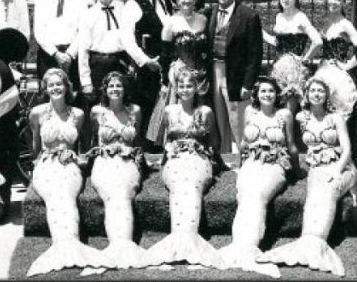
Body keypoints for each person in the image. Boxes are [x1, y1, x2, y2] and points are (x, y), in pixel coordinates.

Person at [260, 76, 355, 276]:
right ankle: (307, 241)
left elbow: (347, 150)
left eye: (321, 91)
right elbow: (288, 141)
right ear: (307, 94)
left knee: (329, 191)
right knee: (313, 198)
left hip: (340, 167)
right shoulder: (301, 118)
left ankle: (318, 243)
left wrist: (337, 172)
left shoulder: (336, 118)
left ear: (327, 95)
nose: (316, 94)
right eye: (313, 90)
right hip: (316, 168)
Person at [145, 69, 224, 269]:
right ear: (177, 88)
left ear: (197, 88)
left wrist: (219, 163)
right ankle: (177, 239)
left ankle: (190, 238)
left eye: (189, 86)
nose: (185, 89)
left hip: (199, 159)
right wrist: (163, 161)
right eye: (181, 86)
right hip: (175, 160)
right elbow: (165, 140)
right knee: (178, 188)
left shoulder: (206, 112)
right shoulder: (169, 111)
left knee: (191, 188)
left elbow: (215, 141)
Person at [26, 68, 101, 276]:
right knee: (53, 196)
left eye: (59, 84)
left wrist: (77, 158)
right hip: (47, 164)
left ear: (66, 87)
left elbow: (85, 151)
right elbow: (34, 149)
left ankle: (72, 244)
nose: (55, 88)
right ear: (45, 88)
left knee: (66, 195)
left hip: (70, 164)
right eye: (51, 85)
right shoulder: (37, 113)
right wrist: (37, 166)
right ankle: (60, 245)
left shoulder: (78, 114)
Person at [217, 77, 293, 276]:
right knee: (245, 193)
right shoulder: (250, 111)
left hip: (274, 165)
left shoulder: (284, 114)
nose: (267, 94)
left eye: (271, 91)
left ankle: (250, 245)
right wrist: (240, 167)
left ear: (277, 95)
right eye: (263, 91)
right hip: (251, 163)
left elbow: (291, 145)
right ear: (257, 94)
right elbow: (243, 143)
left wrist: (297, 170)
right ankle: (238, 245)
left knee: (258, 194)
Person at [86, 71, 151, 270]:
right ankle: (115, 244)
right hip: (104, 161)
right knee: (111, 193)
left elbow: (137, 139)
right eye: (111, 86)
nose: (115, 89)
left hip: (127, 161)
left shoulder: (135, 111)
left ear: (125, 89)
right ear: (105, 90)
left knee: (122, 192)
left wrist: (143, 162)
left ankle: (125, 243)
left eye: (119, 85)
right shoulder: (97, 111)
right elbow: (90, 139)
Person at [146, 0, 210, 145]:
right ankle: (173, 147)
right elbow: (165, 54)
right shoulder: (171, 22)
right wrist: (165, 81)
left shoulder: (203, 20)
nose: (186, 0)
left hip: (200, 75)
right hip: (179, 74)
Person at [78, 0, 160, 100]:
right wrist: (86, 82)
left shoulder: (124, 9)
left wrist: (134, 62)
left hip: (121, 63)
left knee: (125, 104)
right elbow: (83, 50)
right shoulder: (87, 14)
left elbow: (131, 40)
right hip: (98, 66)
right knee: (100, 106)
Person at [206, 0, 262, 154]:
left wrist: (248, 83)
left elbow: (255, 54)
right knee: (219, 114)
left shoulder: (248, 16)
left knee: (237, 117)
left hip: (235, 73)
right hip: (214, 70)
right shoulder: (209, 13)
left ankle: (243, 153)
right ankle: (224, 154)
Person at [122, 0, 173, 148]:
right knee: (145, 109)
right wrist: (145, 61)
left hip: (165, 67)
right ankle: (142, 150)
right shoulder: (133, 4)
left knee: (161, 111)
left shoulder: (167, 2)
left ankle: (158, 149)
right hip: (146, 69)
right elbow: (127, 39)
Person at [264, 0, 322, 115]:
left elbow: (317, 41)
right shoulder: (279, 16)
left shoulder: (300, 17)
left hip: (293, 73)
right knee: (278, 110)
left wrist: (305, 60)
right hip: (278, 69)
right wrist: (260, 32)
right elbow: (279, 43)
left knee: (288, 112)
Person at [311, 0, 357, 120]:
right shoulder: (325, 21)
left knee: (338, 112)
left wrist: (347, 65)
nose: (333, 2)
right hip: (323, 70)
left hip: (339, 74)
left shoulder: (345, 24)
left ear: (343, 3)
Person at [32, 0, 85, 82]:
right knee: (48, 94)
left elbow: (83, 30)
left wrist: (70, 54)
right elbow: (39, 31)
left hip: (72, 56)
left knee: (72, 96)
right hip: (48, 55)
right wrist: (55, 54)